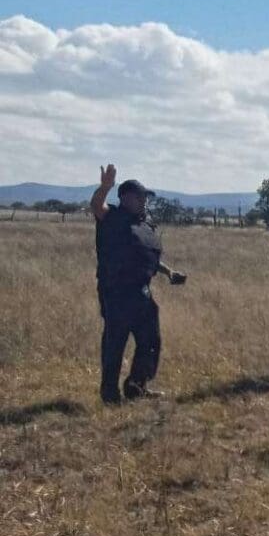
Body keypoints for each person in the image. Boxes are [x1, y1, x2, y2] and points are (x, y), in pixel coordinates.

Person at [90, 165, 187, 404]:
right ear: (125, 197)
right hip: (117, 293)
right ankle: (110, 395)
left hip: (142, 292)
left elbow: (147, 257)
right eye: (140, 197)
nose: (144, 201)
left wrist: (167, 271)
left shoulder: (144, 224)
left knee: (150, 341)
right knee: (115, 343)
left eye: (145, 197)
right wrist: (104, 188)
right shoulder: (113, 218)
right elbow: (96, 207)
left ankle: (136, 386)